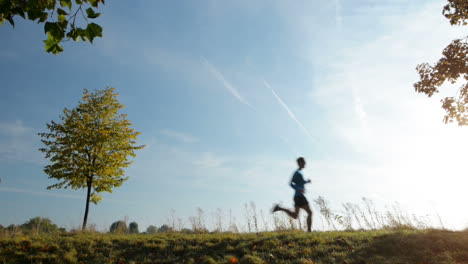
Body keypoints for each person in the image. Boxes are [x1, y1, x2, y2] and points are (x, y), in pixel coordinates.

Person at [272, 157, 313, 232]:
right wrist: (298, 189)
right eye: (304, 162)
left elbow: (300, 182)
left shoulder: (299, 172)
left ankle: (279, 208)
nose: (305, 163)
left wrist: (306, 182)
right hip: (299, 196)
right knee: (310, 212)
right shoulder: (297, 172)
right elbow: (291, 183)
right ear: (300, 163)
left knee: (295, 216)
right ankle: (309, 231)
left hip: (298, 197)